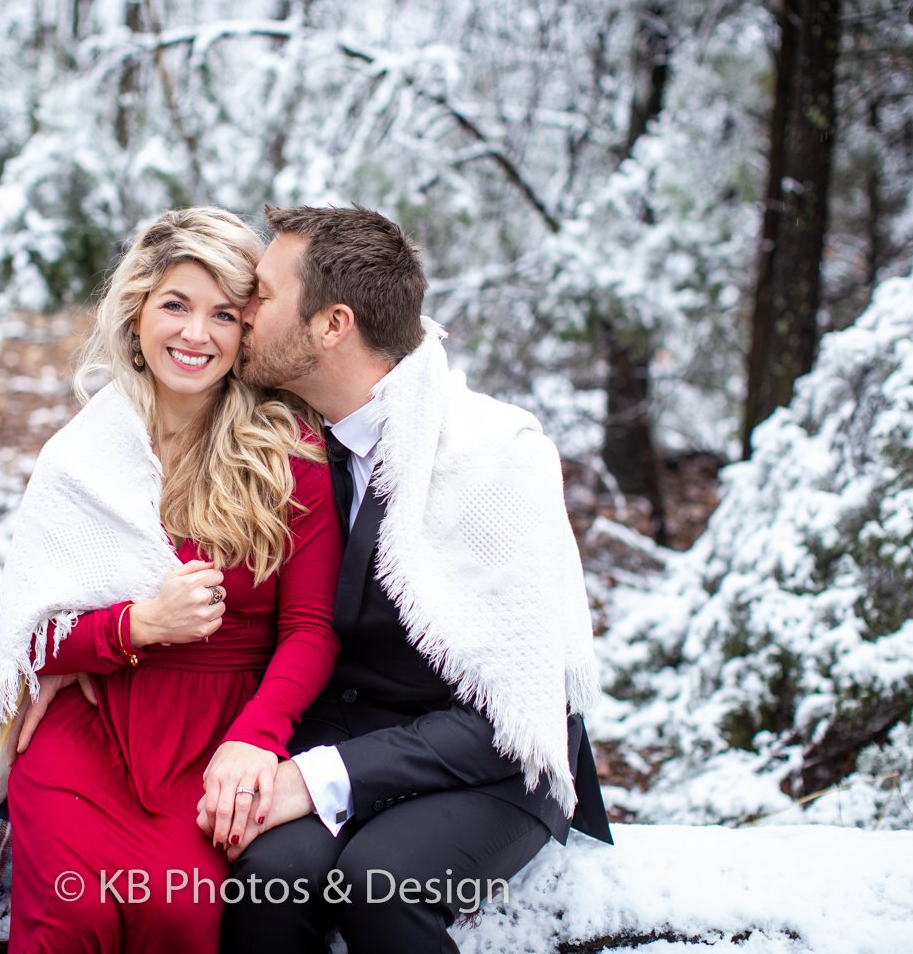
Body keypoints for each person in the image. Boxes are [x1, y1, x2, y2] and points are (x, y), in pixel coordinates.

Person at [210, 205, 613, 954]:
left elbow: (523, 714)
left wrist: (318, 779)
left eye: (260, 294)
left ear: (332, 325)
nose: (242, 311)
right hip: (336, 734)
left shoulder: (496, 455)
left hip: (490, 764)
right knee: (264, 881)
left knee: (379, 884)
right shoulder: (276, 435)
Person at [0, 208, 343, 954]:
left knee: (179, 915)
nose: (195, 335)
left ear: (247, 330)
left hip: (218, 736)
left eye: (223, 314)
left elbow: (311, 630)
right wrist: (135, 626)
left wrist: (255, 740)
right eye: (175, 305)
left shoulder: (288, 450)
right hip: (91, 729)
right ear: (138, 310)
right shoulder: (85, 454)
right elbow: (31, 639)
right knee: (70, 921)